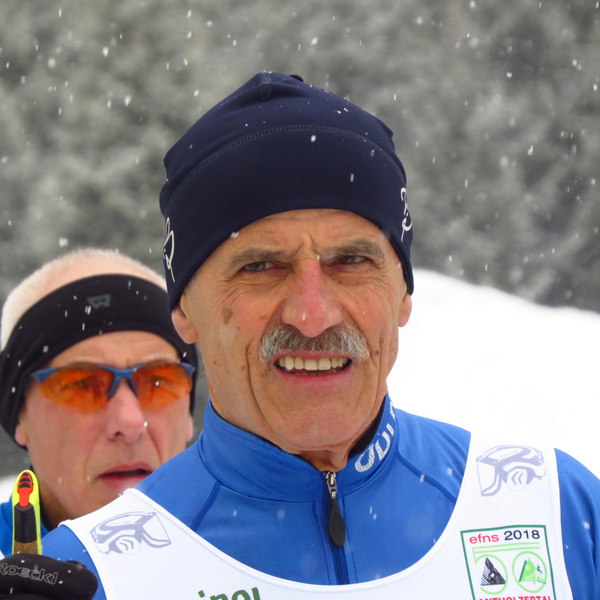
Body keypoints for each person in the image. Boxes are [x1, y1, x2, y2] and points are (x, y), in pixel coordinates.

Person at [6, 73, 600, 599]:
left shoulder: (555, 508)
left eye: (352, 260)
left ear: (402, 292)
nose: (312, 315)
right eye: (260, 266)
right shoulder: (96, 575)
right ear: (184, 311)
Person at [0, 248, 198, 557]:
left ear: (188, 415)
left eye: (159, 382)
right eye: (81, 385)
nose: (130, 424)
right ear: (19, 416)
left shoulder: (262, 560)